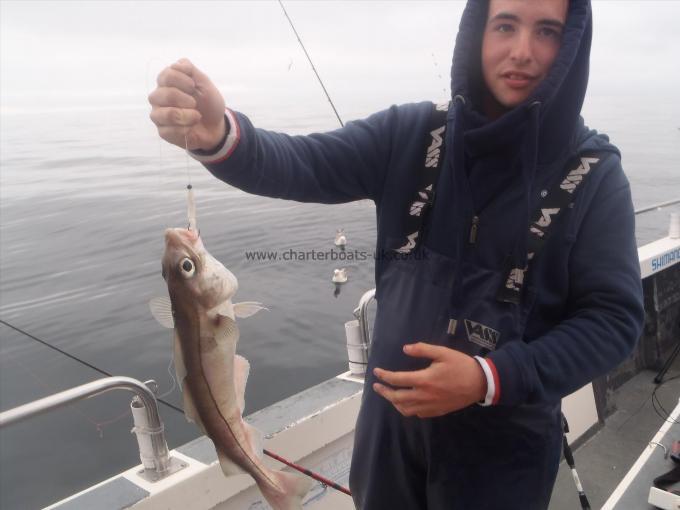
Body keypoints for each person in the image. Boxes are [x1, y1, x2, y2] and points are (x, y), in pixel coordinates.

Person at [149, 0, 644, 508]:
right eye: (505, 25)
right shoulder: (411, 134)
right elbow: (302, 163)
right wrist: (219, 135)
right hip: (387, 443)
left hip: (504, 455)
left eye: (547, 31)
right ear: (477, 32)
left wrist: (487, 378)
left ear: (572, 44)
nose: (521, 51)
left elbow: (613, 321)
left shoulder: (595, 176)